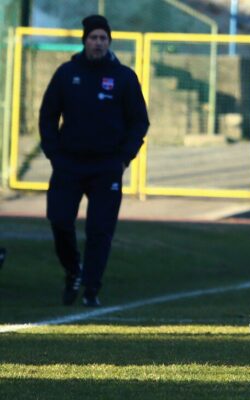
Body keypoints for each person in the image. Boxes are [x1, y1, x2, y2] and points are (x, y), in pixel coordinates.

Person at [39, 15, 149, 307]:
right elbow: (48, 115)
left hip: (107, 167)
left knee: (100, 231)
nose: (98, 43)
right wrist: (54, 152)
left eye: (103, 38)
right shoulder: (66, 73)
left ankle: (91, 290)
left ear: (109, 41)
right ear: (84, 40)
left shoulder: (123, 77)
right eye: (93, 37)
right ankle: (74, 270)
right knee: (60, 221)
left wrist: (124, 158)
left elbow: (139, 121)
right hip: (68, 165)